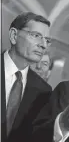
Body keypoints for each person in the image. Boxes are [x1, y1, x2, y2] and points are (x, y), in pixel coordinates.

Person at [1, 12, 52, 142]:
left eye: (47, 40)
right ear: (14, 35)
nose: (43, 45)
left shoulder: (44, 90)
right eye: (36, 36)